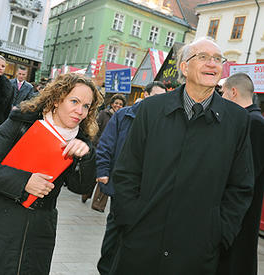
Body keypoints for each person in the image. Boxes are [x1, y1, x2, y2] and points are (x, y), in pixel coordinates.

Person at [109, 37, 254, 275]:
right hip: (142, 243)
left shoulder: (237, 120)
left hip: (197, 251)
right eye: (204, 57)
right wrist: (130, 220)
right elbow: (126, 171)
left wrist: (219, 232)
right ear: (184, 67)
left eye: (218, 59)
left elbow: (241, 186)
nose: (213, 64)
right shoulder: (151, 109)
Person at [0, 73, 102, 274]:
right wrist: (24, 182)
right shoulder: (23, 122)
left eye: (86, 106)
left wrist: (85, 157)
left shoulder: (80, 142)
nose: (80, 111)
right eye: (74, 101)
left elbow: (81, 187)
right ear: (58, 99)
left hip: (40, 233)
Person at [97, 81, 167, 274]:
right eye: (156, 96)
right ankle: (106, 268)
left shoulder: (163, 120)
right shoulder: (124, 115)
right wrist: (102, 171)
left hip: (147, 188)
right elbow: (106, 144)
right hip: (122, 184)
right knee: (115, 229)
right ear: (145, 95)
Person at [216, 73, 264, 275]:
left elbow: (247, 174)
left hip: (241, 210)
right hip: (239, 209)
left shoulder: (253, 122)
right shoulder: (250, 119)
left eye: (223, 92)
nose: (222, 98)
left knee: (237, 260)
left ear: (233, 92)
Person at [82, 93, 126, 209]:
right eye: (116, 103)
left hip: (112, 151)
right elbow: (96, 129)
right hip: (98, 147)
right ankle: (86, 193)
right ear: (111, 104)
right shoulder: (103, 114)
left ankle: (98, 204)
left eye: (121, 104)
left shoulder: (123, 118)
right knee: (93, 176)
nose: (118, 106)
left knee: (105, 176)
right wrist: (94, 144)